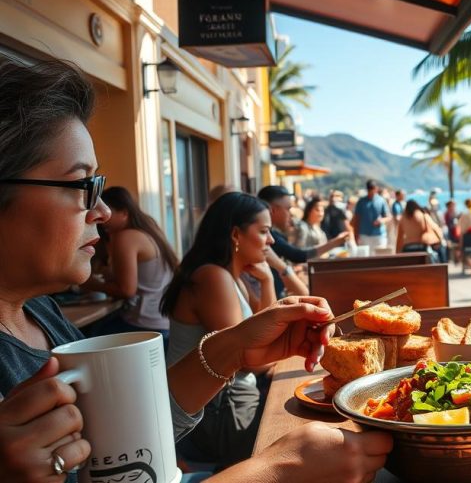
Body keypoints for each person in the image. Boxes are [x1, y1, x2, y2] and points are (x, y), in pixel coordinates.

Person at [0, 58, 391, 483]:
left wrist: (234, 348)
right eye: (82, 185)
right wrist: (277, 471)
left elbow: (126, 448)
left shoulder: (38, 312)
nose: (104, 211)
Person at [161, 192, 279, 468]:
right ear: (236, 234)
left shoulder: (230, 277)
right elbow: (247, 359)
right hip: (214, 413)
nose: (271, 241)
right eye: (264, 232)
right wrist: (274, 356)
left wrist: (268, 281)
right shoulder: (212, 277)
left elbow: (266, 332)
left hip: (227, 402)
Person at [80, 186, 178, 343]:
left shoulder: (125, 237)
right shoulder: (150, 229)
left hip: (144, 325)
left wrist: (90, 283)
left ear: (124, 213)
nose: (101, 217)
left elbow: (126, 291)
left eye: (108, 211)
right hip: (164, 325)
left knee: (85, 336)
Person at [258, 185, 347, 297]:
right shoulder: (274, 238)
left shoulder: (276, 235)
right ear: (272, 209)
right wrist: (334, 242)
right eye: (288, 208)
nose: (290, 214)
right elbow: (299, 255)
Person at [351, 180, 390, 250]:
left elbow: (388, 217)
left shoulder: (381, 200)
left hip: (379, 235)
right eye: (370, 190)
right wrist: (356, 236)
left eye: (373, 189)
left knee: (379, 257)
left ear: (376, 189)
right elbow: (356, 219)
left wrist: (381, 220)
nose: (371, 192)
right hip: (364, 235)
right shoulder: (361, 202)